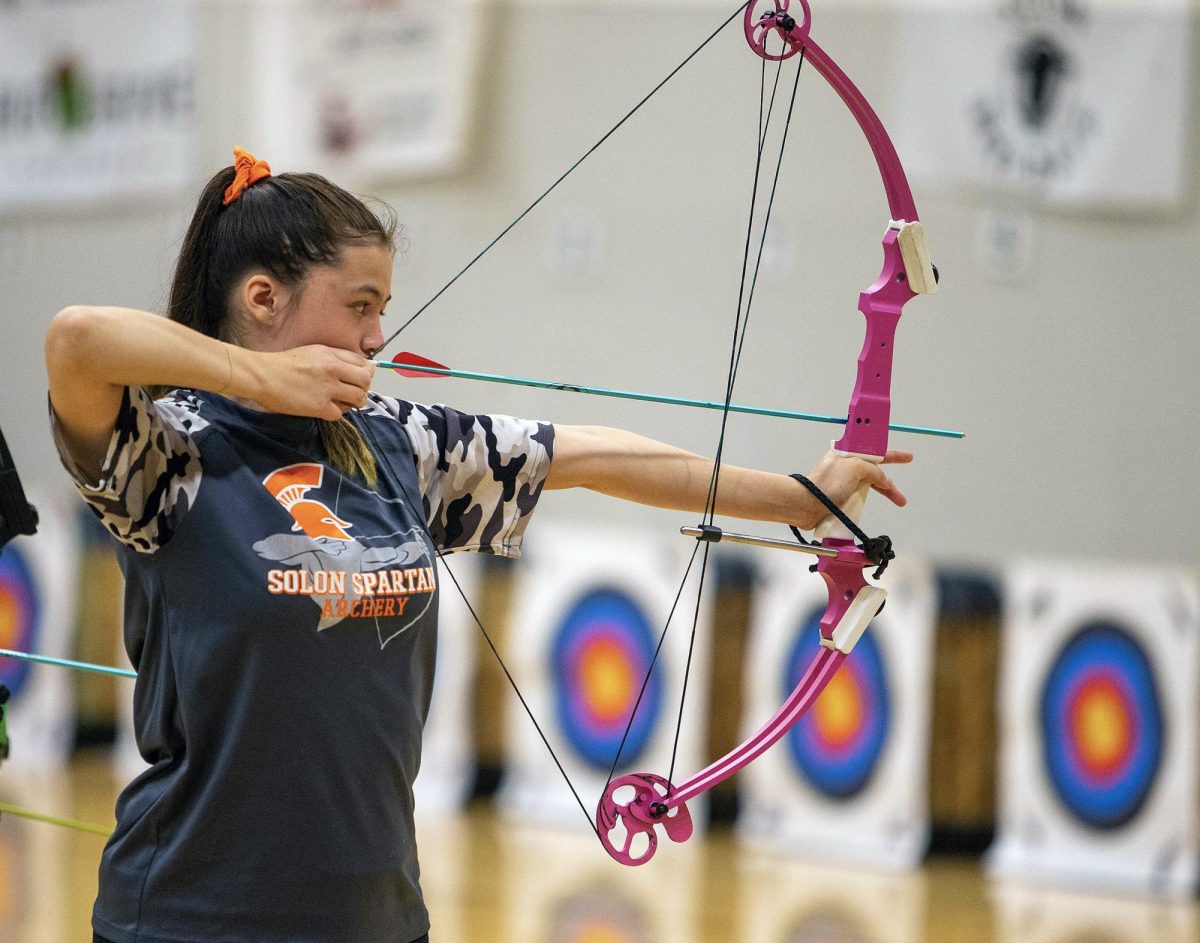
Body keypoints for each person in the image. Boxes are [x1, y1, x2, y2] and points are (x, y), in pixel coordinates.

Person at [45, 148, 911, 943]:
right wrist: (258, 377)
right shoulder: (166, 456)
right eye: (358, 307)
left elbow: (594, 457)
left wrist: (802, 498)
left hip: (374, 916)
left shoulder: (397, 444)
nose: (376, 337)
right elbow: (77, 340)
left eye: (382, 309)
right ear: (263, 298)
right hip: (188, 920)